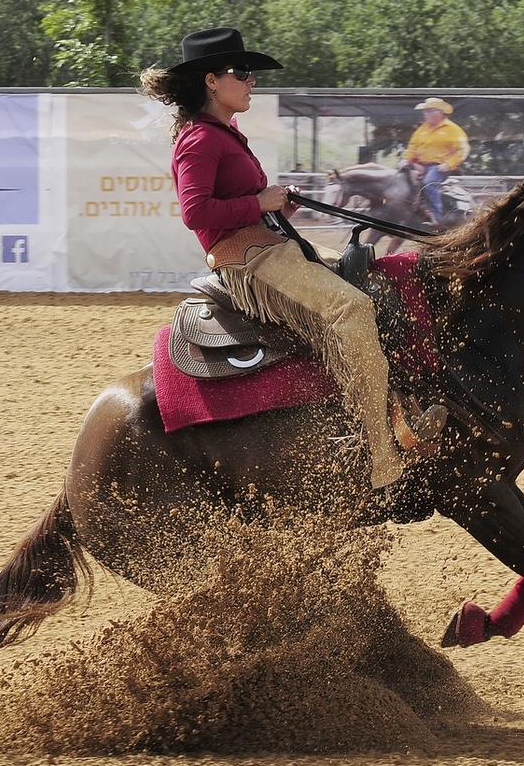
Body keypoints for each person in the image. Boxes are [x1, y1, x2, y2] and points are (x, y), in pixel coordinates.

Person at [138, 27, 444, 490]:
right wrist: (260, 203)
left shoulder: (225, 131)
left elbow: (241, 197)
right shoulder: (200, 139)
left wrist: (276, 202)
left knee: (372, 279)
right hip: (248, 259)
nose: (250, 81)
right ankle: (381, 455)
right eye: (240, 72)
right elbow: (195, 213)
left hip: (270, 242)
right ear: (211, 81)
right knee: (351, 308)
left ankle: (400, 407)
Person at [403, 97, 469, 223]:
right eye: (425, 111)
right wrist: (407, 159)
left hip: (439, 167)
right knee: (399, 181)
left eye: (428, 111)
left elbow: (463, 150)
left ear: (439, 112)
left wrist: (448, 164)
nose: (425, 114)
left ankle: (437, 218)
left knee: (429, 183)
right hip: (419, 165)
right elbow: (412, 147)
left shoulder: (453, 129)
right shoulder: (422, 129)